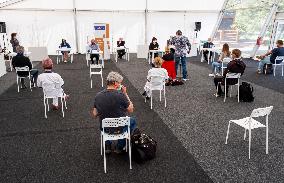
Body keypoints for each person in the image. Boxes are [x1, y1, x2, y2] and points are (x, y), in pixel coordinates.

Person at [93, 71, 137, 154]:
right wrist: (125, 93)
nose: (120, 85)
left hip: (106, 128)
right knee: (132, 120)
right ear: (115, 83)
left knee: (106, 123)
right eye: (120, 83)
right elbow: (131, 110)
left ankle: (107, 145)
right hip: (120, 128)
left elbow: (95, 114)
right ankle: (120, 147)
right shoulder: (121, 95)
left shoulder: (98, 95)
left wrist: (104, 109)